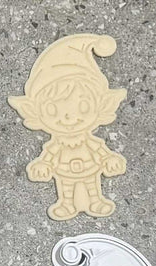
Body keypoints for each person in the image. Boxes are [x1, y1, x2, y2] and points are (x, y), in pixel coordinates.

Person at [9, 34, 126, 220]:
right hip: (64, 172)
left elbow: (101, 151)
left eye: (83, 106)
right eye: (53, 109)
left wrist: (109, 159)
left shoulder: (89, 141)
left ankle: (96, 201)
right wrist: (43, 164)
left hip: (90, 169)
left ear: (101, 104)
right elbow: (48, 156)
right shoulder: (57, 145)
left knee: (92, 187)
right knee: (66, 189)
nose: (68, 117)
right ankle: (66, 204)